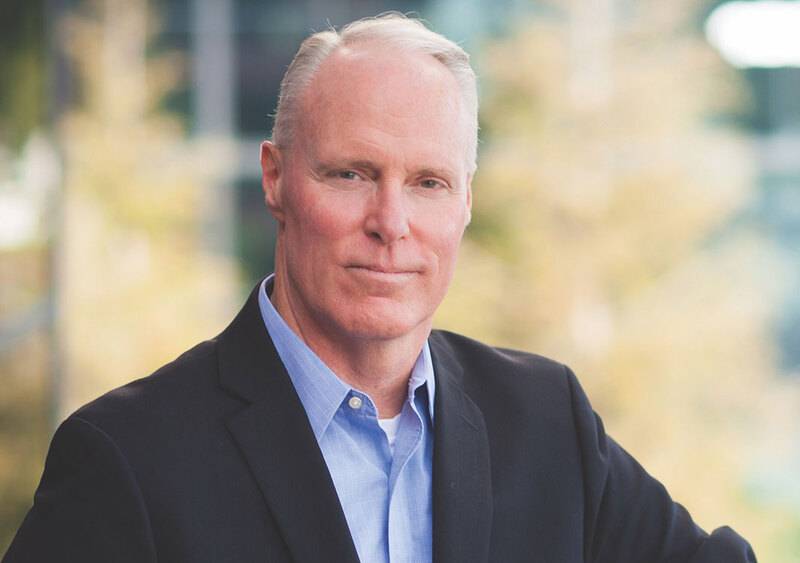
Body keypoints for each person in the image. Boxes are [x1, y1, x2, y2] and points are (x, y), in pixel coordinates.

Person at [4, 13, 756, 563]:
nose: (390, 221)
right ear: (277, 179)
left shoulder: (545, 421)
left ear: (465, 204)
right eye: (352, 173)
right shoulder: (127, 460)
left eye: (428, 182)